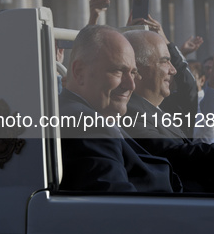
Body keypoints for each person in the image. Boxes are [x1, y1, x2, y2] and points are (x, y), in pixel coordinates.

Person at [58, 24, 182, 192]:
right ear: (79, 72)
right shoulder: (88, 125)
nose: (131, 84)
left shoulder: (89, 116)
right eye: (118, 71)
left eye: (132, 73)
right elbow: (119, 207)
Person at [123, 30, 214, 193]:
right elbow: (178, 157)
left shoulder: (158, 110)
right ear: (136, 70)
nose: (173, 70)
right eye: (165, 61)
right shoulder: (128, 113)